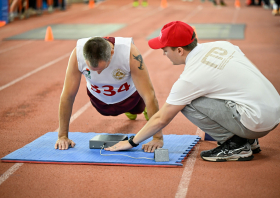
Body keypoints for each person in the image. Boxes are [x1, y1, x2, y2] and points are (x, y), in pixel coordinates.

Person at [105, 21, 280, 162]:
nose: (164, 54)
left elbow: (161, 118)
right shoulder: (223, 45)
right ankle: (248, 139)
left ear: (179, 50)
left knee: (187, 103)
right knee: (210, 92)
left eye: (165, 50)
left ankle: (237, 144)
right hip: (273, 109)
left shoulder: (191, 77)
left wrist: (131, 142)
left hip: (256, 122)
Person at [54, 36, 163, 152]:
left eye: (102, 68)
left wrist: (157, 137)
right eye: (93, 69)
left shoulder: (129, 52)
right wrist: (62, 136)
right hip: (100, 101)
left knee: (139, 106)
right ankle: (130, 110)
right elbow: (67, 96)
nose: (99, 73)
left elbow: (149, 95)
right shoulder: (77, 54)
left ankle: (139, 110)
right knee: (106, 112)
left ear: (112, 53)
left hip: (130, 97)